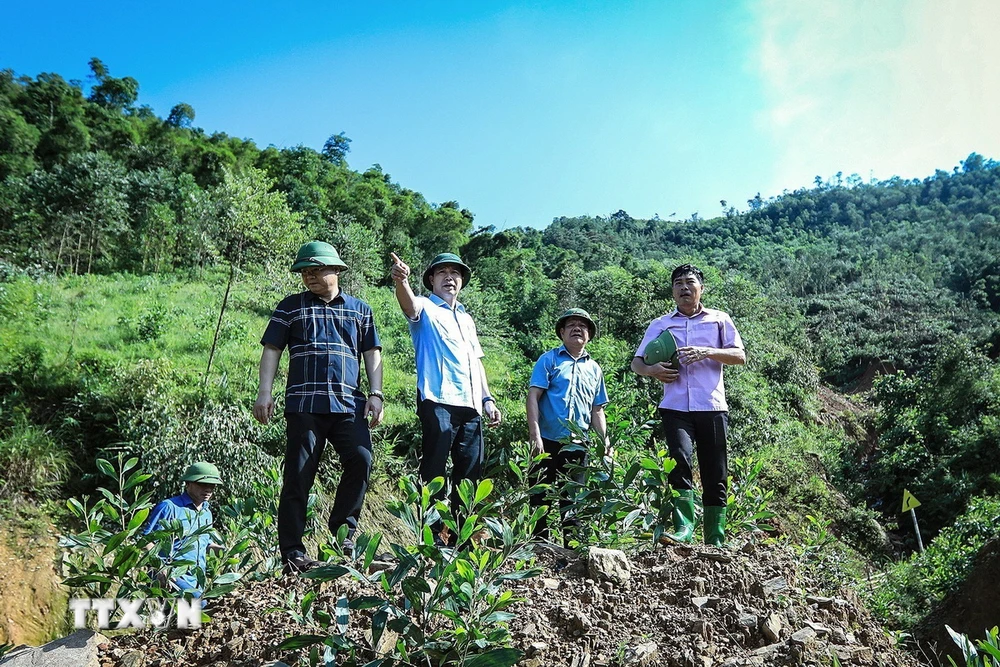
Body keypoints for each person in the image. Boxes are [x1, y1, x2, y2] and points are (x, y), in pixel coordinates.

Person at [253, 241, 384, 574]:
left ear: (336, 270)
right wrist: (264, 392)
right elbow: (272, 349)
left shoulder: (360, 310)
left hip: (348, 404)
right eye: (304, 271)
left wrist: (377, 393)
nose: (309, 276)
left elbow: (372, 354)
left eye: (315, 269)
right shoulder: (290, 307)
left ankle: (344, 535)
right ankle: (293, 553)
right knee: (298, 476)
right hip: (304, 404)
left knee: (362, 458)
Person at [389, 251, 502, 545]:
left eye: (455, 273)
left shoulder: (466, 319)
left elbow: (476, 361)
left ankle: (461, 537)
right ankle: (433, 536)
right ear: (431, 280)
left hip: (471, 404)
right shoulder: (425, 306)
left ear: (462, 281)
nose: (449, 278)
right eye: (442, 273)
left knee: (469, 472)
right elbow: (409, 306)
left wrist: (488, 399)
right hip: (437, 399)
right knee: (435, 468)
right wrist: (402, 281)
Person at [630, 264, 746, 546]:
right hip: (675, 406)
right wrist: (653, 370)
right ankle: (684, 528)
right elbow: (637, 363)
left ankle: (715, 538)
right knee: (679, 462)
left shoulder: (719, 320)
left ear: (701, 288)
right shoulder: (660, 324)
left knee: (715, 470)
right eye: (678, 283)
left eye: (690, 282)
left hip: (712, 405)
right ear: (672, 291)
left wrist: (708, 351)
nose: (684, 287)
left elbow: (739, 355)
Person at [526, 308, 609, 543]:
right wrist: (535, 435)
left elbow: (597, 410)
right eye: (571, 325)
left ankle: (572, 552)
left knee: (572, 501)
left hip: (578, 445)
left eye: (582, 326)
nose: (577, 329)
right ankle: (538, 548)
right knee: (539, 497)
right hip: (547, 441)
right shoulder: (549, 359)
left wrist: (605, 444)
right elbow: (533, 396)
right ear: (562, 333)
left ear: (589, 335)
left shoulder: (594, 369)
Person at [144, 461, 224, 598]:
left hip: (196, 582)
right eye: (202, 484)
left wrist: (224, 551)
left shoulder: (206, 513)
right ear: (188, 484)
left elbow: (204, 544)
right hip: (171, 577)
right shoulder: (169, 507)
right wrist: (160, 567)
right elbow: (145, 540)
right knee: (200, 605)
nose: (208, 489)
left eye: (212, 486)